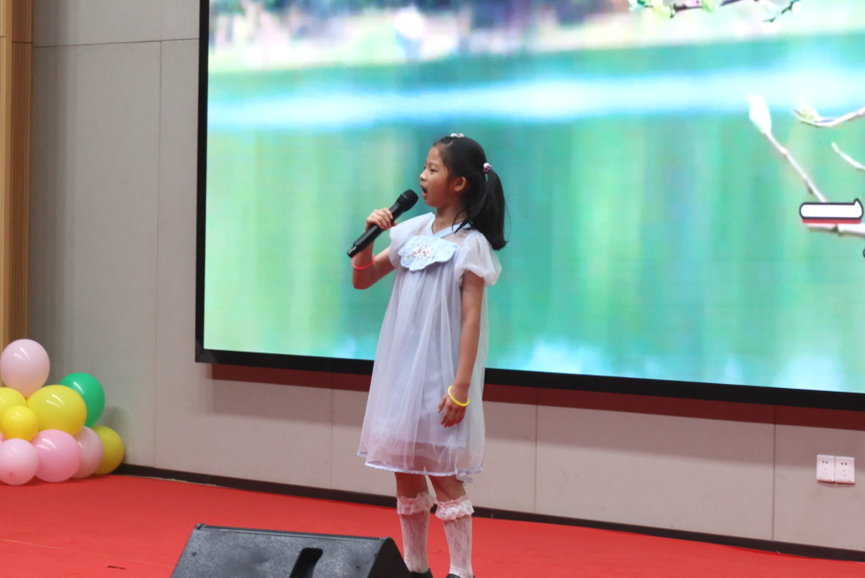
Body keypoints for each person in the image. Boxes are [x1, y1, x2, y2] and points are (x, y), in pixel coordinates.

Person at [351, 134, 506, 578]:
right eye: (424, 167)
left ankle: (461, 570)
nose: (422, 176)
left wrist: (461, 387)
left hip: (440, 379)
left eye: (433, 169)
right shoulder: (410, 231)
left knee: (443, 476)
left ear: (458, 183)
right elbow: (364, 278)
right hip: (401, 373)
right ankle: (414, 567)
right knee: (404, 471)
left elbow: (471, 319)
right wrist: (369, 237)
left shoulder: (470, 244)